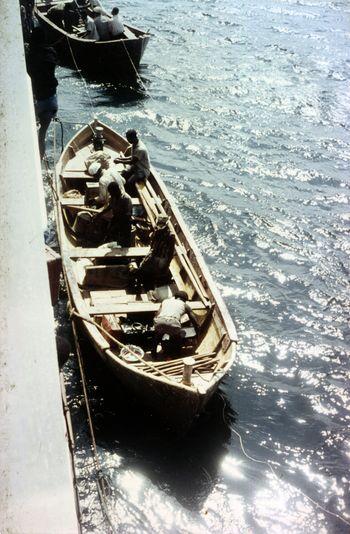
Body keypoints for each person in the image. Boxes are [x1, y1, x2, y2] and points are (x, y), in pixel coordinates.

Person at [26, 27, 58, 159]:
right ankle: (40, 158)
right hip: (51, 100)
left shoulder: (30, 56)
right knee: (41, 135)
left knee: (30, 133)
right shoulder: (51, 52)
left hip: (37, 101)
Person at [135, 214, 175, 289]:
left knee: (158, 271)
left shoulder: (170, 236)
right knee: (142, 267)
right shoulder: (157, 231)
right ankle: (140, 283)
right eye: (158, 223)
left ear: (165, 224)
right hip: (153, 254)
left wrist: (167, 263)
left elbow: (170, 252)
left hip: (162, 258)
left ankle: (153, 284)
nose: (159, 225)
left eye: (161, 224)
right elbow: (153, 243)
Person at [153, 291, 198, 355]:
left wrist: (155, 324)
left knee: (158, 335)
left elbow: (157, 314)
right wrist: (197, 329)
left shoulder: (165, 301)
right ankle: (173, 353)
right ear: (184, 299)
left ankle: (153, 352)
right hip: (173, 323)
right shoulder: (185, 305)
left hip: (159, 321)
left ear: (175, 297)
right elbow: (194, 320)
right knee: (176, 337)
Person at [95, 181, 132, 246]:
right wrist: (100, 214)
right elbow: (110, 207)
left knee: (125, 240)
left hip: (125, 222)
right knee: (109, 231)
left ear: (116, 191)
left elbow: (128, 215)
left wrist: (117, 225)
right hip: (116, 217)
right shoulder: (113, 197)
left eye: (111, 193)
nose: (110, 194)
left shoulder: (126, 199)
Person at [114, 129, 151, 195]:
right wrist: (121, 159)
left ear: (133, 137)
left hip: (142, 170)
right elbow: (132, 157)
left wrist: (119, 161)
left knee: (130, 182)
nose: (127, 140)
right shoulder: (134, 144)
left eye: (128, 138)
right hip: (136, 166)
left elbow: (131, 162)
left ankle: (131, 194)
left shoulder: (140, 149)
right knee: (123, 174)